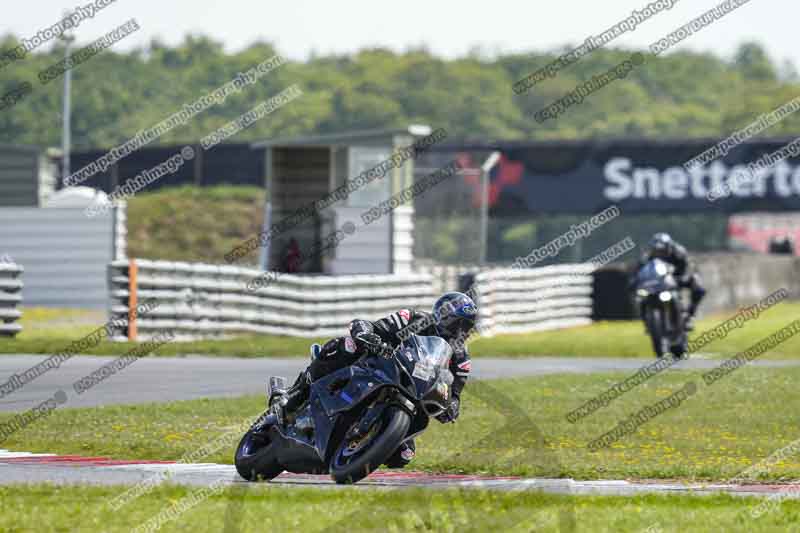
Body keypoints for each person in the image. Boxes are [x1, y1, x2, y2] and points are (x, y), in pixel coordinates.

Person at [276, 292, 477, 469]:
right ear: (442, 316)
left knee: (403, 456)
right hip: (377, 366)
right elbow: (372, 326)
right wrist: (366, 334)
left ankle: (356, 449)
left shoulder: (460, 359)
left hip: (411, 394)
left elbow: (455, 394)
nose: (460, 331)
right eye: (456, 323)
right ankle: (292, 394)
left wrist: (450, 406)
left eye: (466, 326)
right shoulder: (414, 319)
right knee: (347, 345)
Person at [636, 233, 706, 330]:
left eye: (662, 250)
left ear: (669, 247)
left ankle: (689, 316)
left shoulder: (679, 252)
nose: (659, 253)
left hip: (677, 278)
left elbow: (689, 267)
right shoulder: (648, 256)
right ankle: (648, 322)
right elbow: (640, 271)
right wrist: (635, 281)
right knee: (641, 296)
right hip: (657, 283)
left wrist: (683, 278)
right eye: (657, 251)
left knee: (698, 287)